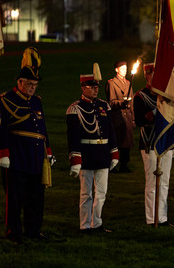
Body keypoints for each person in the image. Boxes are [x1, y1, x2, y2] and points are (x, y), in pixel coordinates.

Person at [0, 47, 52, 243]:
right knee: (15, 198)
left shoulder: (37, 101)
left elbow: (42, 129)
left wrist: (49, 151)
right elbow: (1, 129)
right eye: (28, 84)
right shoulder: (5, 100)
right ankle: (13, 231)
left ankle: (33, 229)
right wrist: (3, 153)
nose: (32, 87)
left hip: (36, 157)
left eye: (34, 84)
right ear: (19, 82)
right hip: (17, 156)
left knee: (36, 197)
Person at [66, 66, 119, 233]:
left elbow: (110, 130)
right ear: (83, 88)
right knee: (86, 193)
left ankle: (96, 223)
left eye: (96, 87)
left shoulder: (104, 106)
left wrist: (114, 151)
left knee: (101, 193)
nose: (95, 90)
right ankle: (84, 225)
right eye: (91, 87)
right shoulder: (75, 108)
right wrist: (75, 158)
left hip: (102, 154)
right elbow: (73, 136)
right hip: (87, 154)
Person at [133, 63, 174, 227]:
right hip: (150, 143)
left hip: (166, 142)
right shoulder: (141, 96)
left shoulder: (167, 95)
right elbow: (139, 120)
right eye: (153, 74)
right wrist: (154, 112)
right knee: (152, 183)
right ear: (147, 76)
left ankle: (162, 217)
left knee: (165, 182)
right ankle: (151, 218)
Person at [105, 60, 135, 173]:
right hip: (117, 116)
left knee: (126, 143)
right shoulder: (111, 83)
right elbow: (111, 102)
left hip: (127, 117)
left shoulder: (128, 83)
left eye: (126, 69)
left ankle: (124, 164)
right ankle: (113, 164)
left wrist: (133, 118)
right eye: (122, 69)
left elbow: (132, 103)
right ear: (116, 70)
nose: (125, 71)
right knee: (116, 142)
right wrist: (122, 103)